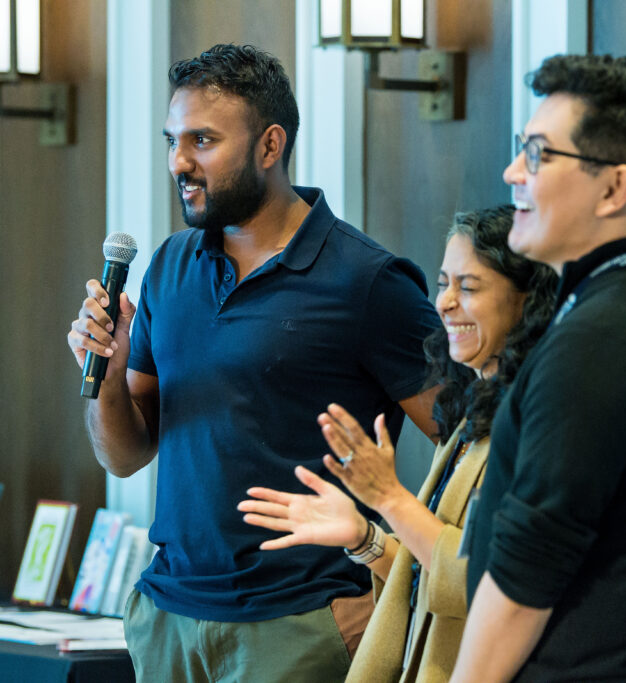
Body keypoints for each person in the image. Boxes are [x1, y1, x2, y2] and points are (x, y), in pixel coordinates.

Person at [66, 44, 440, 681]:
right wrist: (106, 369)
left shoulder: (366, 281)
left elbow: (470, 447)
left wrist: (391, 565)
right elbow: (126, 455)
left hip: (302, 624)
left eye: (203, 140)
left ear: (270, 146)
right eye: (172, 140)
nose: (179, 162)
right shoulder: (171, 265)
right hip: (170, 618)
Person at [451, 55, 626, 682]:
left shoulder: (607, 338)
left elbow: (528, 572)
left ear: (615, 188)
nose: (513, 172)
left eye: (539, 155)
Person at [238, 205, 558, 682]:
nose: (444, 303)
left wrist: (388, 498)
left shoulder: (539, 422)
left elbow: (481, 581)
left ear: (527, 302)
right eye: (444, 282)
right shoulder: (477, 412)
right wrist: (363, 537)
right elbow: (429, 574)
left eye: (467, 287)